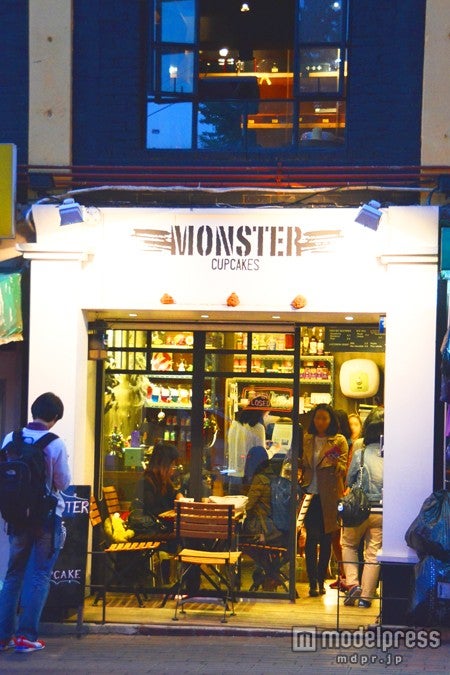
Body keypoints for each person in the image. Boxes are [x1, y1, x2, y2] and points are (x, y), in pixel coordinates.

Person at [0, 392, 71, 653]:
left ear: (33, 411)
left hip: (17, 517)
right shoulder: (55, 443)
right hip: (46, 518)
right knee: (40, 575)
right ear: (55, 417)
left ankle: (3, 636)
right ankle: (26, 636)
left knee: (13, 574)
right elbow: (63, 482)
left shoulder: (11, 438)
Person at [301, 404, 348, 597]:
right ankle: (312, 582)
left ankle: (321, 581)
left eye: (324, 418)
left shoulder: (338, 441)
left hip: (329, 496)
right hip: (309, 494)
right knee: (311, 538)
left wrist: (336, 463)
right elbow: (301, 463)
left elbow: (342, 468)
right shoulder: (307, 438)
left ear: (330, 420)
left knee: (326, 538)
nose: (320, 422)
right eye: (317, 418)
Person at [342, 407, 384, 608]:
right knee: (373, 554)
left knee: (349, 545)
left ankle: (352, 584)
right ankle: (366, 599)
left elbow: (349, 480)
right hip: (381, 511)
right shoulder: (393, 455)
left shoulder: (360, 453)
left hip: (359, 509)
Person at [242, 446, 287, 591]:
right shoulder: (275, 477)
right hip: (279, 530)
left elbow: (248, 506)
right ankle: (269, 574)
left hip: (265, 530)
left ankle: (265, 573)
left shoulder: (259, 479)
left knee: (237, 537)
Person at [135, 441, 183, 518]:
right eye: (172, 464)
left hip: (164, 523)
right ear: (163, 465)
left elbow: (172, 495)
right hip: (153, 524)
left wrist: (178, 495)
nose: (173, 469)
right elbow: (151, 512)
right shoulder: (146, 483)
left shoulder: (164, 482)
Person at [227, 397, 268, 478]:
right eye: (267, 414)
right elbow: (261, 456)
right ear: (261, 413)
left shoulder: (234, 425)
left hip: (232, 474)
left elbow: (242, 446)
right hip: (247, 476)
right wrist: (274, 449)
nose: (266, 417)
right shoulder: (258, 427)